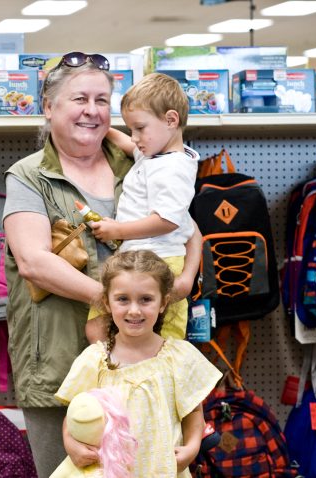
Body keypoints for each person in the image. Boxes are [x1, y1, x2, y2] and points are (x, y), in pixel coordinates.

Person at [3, 52, 202, 477]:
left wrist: (184, 280)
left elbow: (187, 227)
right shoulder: (28, 176)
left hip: (144, 366)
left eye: (101, 99)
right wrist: (120, 303)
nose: (92, 111)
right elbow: (33, 262)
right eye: (79, 99)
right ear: (48, 106)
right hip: (58, 358)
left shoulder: (142, 161)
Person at [55, 250, 222, 477]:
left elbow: (194, 413)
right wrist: (71, 445)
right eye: (123, 299)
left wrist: (191, 448)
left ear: (163, 302)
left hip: (161, 469)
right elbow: (75, 415)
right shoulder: (94, 360)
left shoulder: (179, 357)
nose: (134, 310)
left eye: (146, 299)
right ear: (107, 302)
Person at [86, 72, 200, 344]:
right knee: (98, 328)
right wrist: (103, 126)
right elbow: (128, 145)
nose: (134, 137)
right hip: (138, 259)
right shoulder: (155, 154)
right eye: (131, 129)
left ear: (171, 120)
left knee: (164, 343)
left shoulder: (172, 168)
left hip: (162, 263)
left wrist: (118, 230)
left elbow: (166, 221)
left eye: (140, 128)